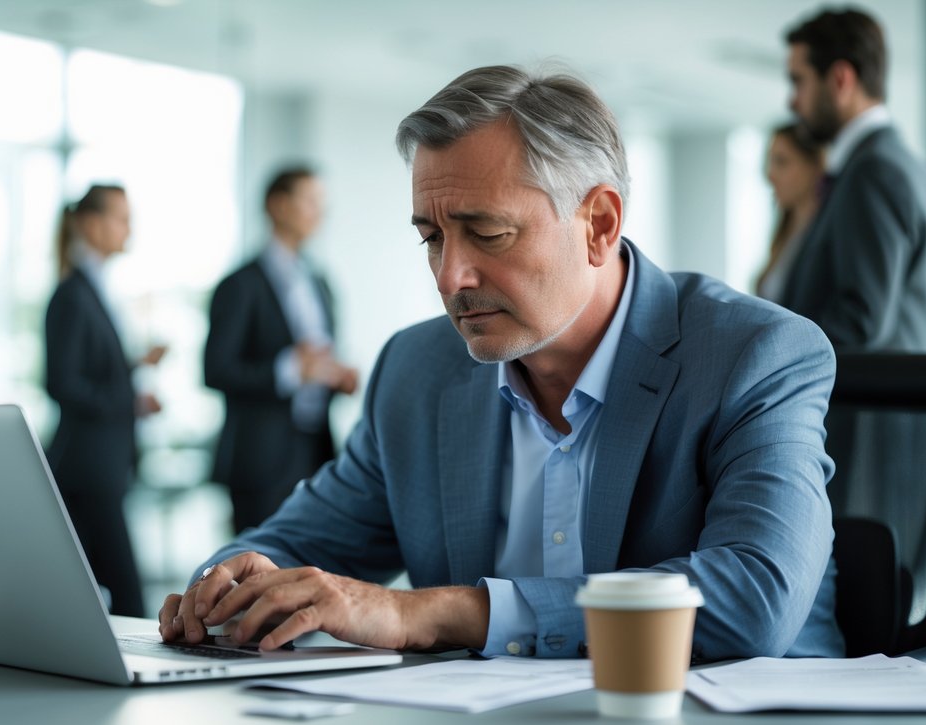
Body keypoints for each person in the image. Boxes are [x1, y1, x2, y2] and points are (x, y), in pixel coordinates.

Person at [160, 65, 843, 661]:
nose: (450, 276)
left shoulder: (755, 355)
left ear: (599, 224)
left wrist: (426, 613)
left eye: (487, 233)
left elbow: (755, 594)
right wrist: (226, 587)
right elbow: (295, 545)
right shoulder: (416, 371)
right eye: (431, 238)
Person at [781, 8, 926, 611]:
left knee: (867, 626)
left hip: (873, 446)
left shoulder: (874, 171)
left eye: (799, 81)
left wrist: (767, 354)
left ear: (841, 80)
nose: (793, 100)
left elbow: (860, 318)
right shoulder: (907, 167)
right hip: (899, 439)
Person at [204, 167, 359, 535]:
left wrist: (336, 376)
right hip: (260, 458)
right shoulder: (239, 285)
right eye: (310, 201)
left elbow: (321, 358)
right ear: (278, 205)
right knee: (255, 575)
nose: (319, 212)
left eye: (322, 204)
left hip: (315, 451)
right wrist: (289, 370)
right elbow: (215, 369)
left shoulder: (320, 281)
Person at [45, 184, 164, 618]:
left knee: (99, 591)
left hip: (102, 464)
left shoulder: (92, 288)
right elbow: (62, 383)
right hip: (88, 468)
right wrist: (128, 400)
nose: (128, 228)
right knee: (126, 594)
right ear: (93, 224)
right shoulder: (73, 294)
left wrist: (133, 369)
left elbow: (88, 374)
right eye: (121, 218)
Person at [754, 123, 824, 301]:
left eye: (782, 162)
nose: (770, 174)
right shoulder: (784, 234)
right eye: (770, 162)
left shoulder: (827, 235)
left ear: (815, 167)